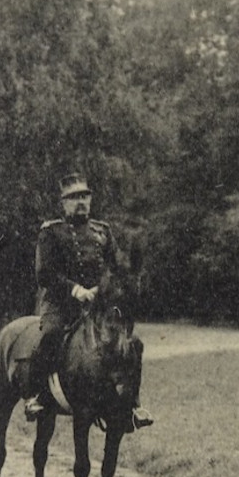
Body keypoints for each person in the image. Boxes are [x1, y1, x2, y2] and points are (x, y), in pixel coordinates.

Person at [24, 173, 153, 430]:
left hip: (97, 305)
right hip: (60, 304)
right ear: (63, 203)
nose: (80, 202)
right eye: (73, 198)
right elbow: (44, 273)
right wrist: (76, 290)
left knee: (133, 344)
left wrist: (105, 289)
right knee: (49, 335)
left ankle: (133, 404)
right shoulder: (51, 232)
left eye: (84, 196)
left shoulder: (102, 231)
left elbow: (114, 267)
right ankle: (36, 396)